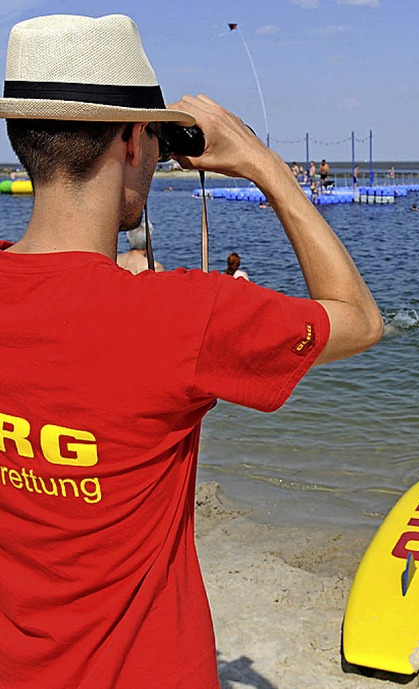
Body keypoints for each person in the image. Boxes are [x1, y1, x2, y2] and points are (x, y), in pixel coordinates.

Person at [0, 14, 383, 689]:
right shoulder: (182, 316)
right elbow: (358, 320)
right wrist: (265, 166)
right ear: (129, 139)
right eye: (153, 134)